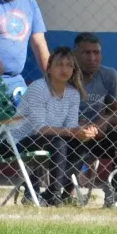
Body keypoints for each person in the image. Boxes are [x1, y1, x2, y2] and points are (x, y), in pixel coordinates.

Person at [12, 47, 98, 206]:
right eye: (59, 64)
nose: (64, 69)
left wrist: (82, 133)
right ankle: (54, 196)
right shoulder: (39, 88)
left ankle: (53, 193)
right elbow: (40, 129)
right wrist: (73, 131)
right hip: (20, 140)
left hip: (53, 139)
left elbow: (71, 126)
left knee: (84, 145)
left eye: (69, 65)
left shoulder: (73, 93)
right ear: (49, 68)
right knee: (59, 143)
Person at [73, 32, 117, 177]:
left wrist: (101, 123)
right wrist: (76, 124)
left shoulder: (109, 75)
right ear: (75, 54)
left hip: (100, 132)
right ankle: (65, 190)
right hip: (71, 132)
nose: (92, 58)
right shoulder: (67, 75)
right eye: (86, 53)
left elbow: (115, 113)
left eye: (96, 53)